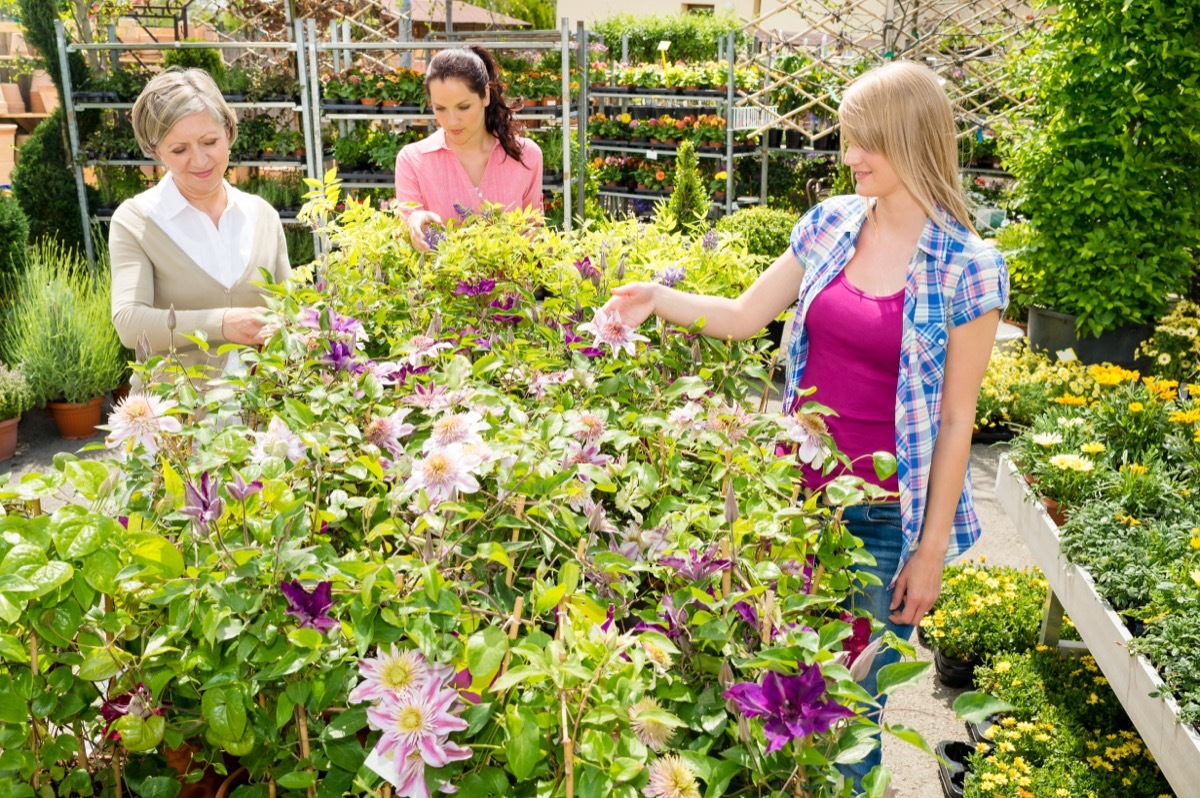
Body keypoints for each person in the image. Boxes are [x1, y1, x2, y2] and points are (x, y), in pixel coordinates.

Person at [601, 60, 1008, 788]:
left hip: (885, 521)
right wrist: (655, 299)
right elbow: (743, 316)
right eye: (847, 140)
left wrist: (932, 549)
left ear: (913, 141)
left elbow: (955, 419)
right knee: (781, 693)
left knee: (849, 715)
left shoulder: (968, 268)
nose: (848, 157)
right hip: (797, 500)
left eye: (864, 144)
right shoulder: (831, 224)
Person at [110, 67, 291, 381]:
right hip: (176, 420)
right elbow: (129, 322)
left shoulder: (261, 216)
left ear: (229, 133)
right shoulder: (137, 221)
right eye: (179, 150)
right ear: (156, 152)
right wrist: (221, 323)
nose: (200, 160)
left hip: (260, 418)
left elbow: (291, 309)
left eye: (210, 142)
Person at [395, 45, 543, 252]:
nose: (452, 121)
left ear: (486, 96)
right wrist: (413, 220)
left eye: (463, 107)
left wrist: (534, 237)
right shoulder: (412, 160)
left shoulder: (527, 156)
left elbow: (535, 230)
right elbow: (410, 228)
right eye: (440, 109)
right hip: (441, 284)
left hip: (510, 283)